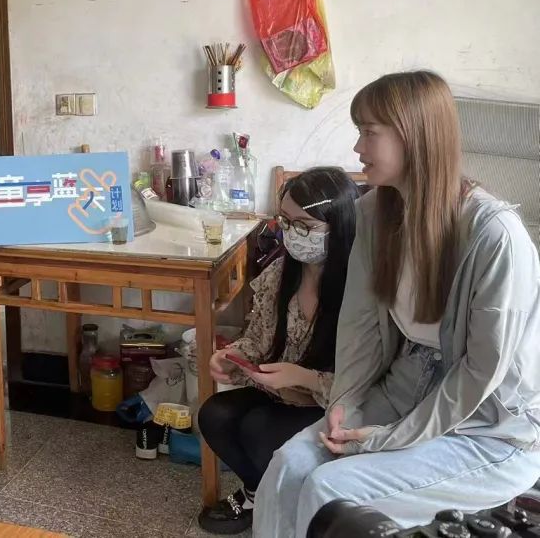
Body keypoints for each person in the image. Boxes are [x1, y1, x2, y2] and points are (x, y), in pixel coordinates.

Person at [255, 71, 540, 538]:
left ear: (415, 136)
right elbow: (361, 325)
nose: (357, 148)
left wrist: (388, 439)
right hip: (406, 384)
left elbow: (480, 372)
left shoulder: (495, 236)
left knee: (330, 490)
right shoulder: (374, 212)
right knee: (288, 467)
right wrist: (344, 400)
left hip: (488, 424)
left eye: (369, 132)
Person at [197, 167, 361, 534]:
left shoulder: (361, 289)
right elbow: (259, 340)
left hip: (336, 402)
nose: (292, 233)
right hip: (282, 391)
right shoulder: (282, 272)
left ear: (340, 226)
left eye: (305, 226)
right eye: (285, 221)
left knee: (258, 429)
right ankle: (259, 492)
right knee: (214, 414)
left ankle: (289, 505)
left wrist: (305, 377)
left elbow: (367, 381)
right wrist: (232, 357)